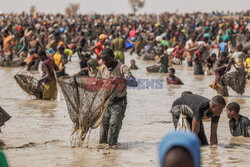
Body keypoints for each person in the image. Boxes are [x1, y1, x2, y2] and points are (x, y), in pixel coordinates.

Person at [97, 48, 137, 147]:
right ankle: (104, 157)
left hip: (119, 101)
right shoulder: (102, 68)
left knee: (114, 124)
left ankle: (113, 148)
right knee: (103, 128)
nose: (105, 62)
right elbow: (97, 84)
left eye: (107, 59)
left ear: (113, 57)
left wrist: (121, 80)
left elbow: (133, 83)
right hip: (106, 102)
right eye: (103, 60)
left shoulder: (122, 68)